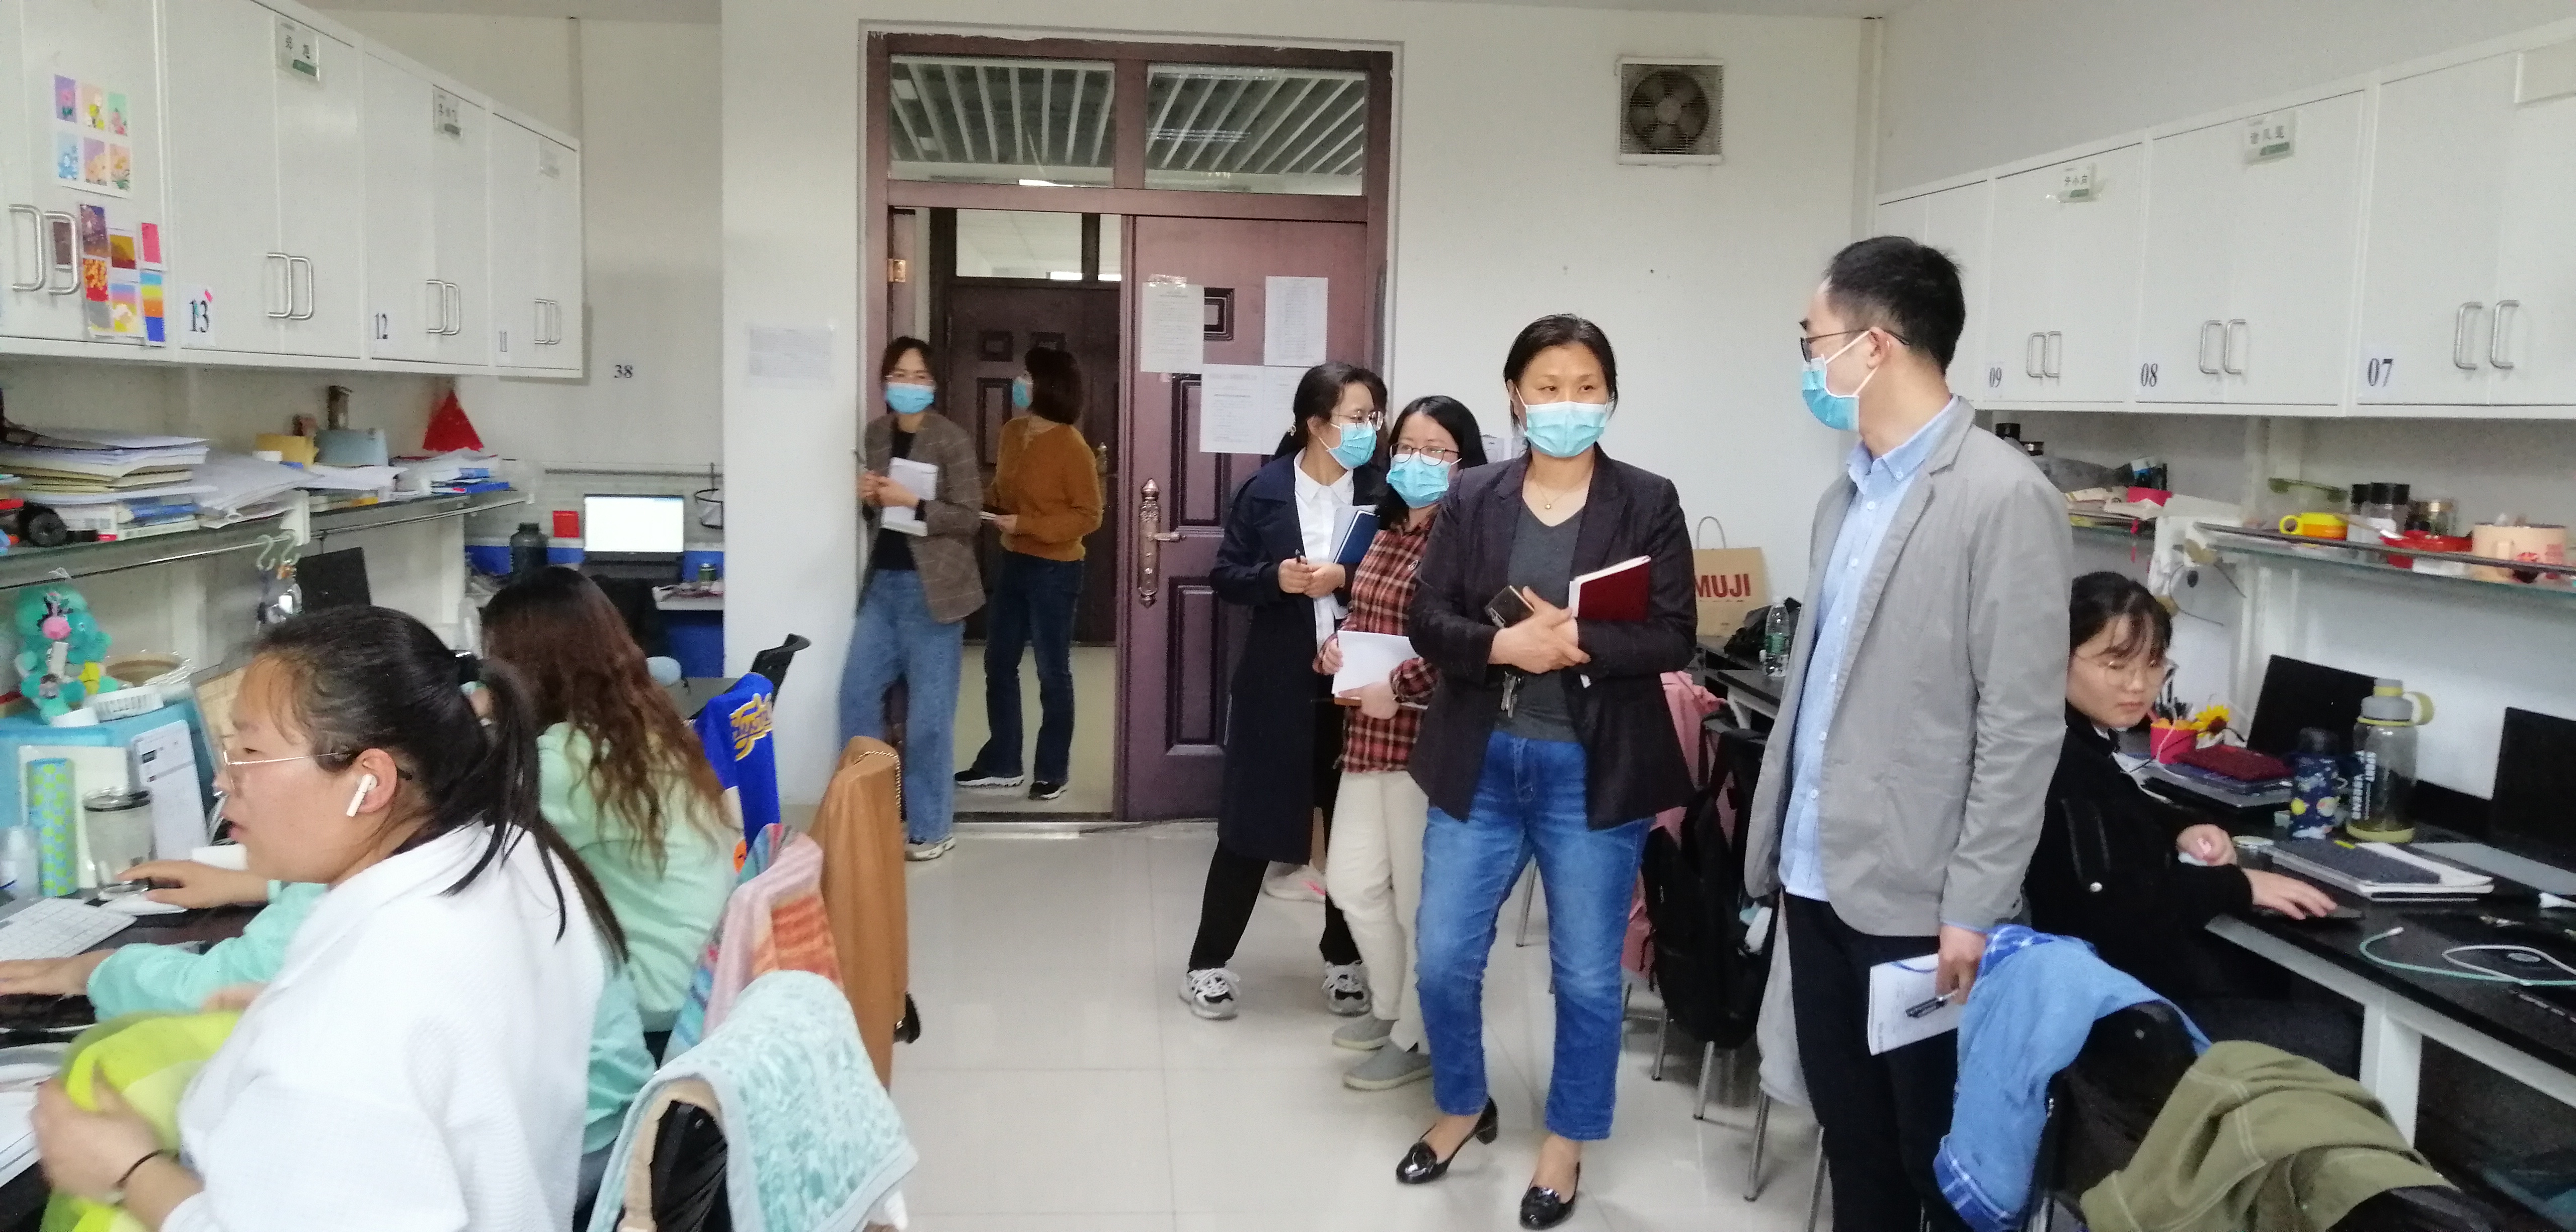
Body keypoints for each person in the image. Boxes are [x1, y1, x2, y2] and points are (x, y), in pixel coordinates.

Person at [30, 607, 624, 1230]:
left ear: (370, 781)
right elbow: (450, 1044)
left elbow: (369, 1040)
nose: (225, 782)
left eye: (250, 752)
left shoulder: (349, 1018)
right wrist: (295, 1007)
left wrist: (129, 1170)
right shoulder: (515, 855)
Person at [1740, 236, 2071, 1230]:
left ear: (1873, 345)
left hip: (1922, 902)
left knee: (1933, 1160)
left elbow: (2020, 725)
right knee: (1853, 1145)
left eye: (1814, 340)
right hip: (1817, 877)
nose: (1809, 362)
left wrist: (1974, 904)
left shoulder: (2003, 497)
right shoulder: (1845, 494)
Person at [1401, 316, 1695, 1230]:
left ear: (1609, 396)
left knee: (1588, 977)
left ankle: (1566, 1141)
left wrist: (1577, 641)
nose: (1568, 404)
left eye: (1586, 387)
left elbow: (1675, 634)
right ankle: (1462, 1103)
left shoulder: (1647, 500)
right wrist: (1504, 645)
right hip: (1481, 761)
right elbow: (1427, 618)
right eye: (1549, 387)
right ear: (1516, 397)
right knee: (1443, 957)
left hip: (1589, 771)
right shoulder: (1474, 496)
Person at [2028, 572, 2359, 1072]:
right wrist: (2237, 885)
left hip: (2109, 995)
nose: (2137, 685)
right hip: (2114, 1017)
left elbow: (2119, 802)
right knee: (2344, 1038)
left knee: (2252, 975)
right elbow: (2115, 909)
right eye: (2115, 664)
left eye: (2153, 664)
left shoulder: (2071, 739)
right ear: (2059, 655)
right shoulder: (2062, 760)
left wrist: (2178, 825)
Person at [1179, 361, 1388, 1022]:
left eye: (1374, 417)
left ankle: (1343, 960)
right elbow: (1227, 576)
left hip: (1356, 684)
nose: (1369, 429)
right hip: (1277, 681)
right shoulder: (1265, 490)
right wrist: (1277, 580)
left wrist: (1343, 578)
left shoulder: (1383, 492)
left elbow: (1403, 579)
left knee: (1351, 828)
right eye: (1356, 417)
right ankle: (1207, 964)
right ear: (1315, 424)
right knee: (1250, 822)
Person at [1316, 395, 1488, 1092]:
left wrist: (1401, 684)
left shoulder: (1469, 539)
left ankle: (1417, 1036)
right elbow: (1366, 616)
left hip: (1426, 738)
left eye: (1437, 451)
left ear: (1464, 463)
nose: (1419, 462)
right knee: (1351, 882)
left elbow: (1469, 642)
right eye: (1408, 448)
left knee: (1422, 900)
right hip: (1367, 733)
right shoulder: (1385, 528)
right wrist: (1336, 648)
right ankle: (1390, 1008)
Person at [482, 566, 735, 1036]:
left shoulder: (558, 764)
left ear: (523, 673)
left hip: (654, 1004)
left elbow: (474, 849)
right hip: (710, 980)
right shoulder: (651, 730)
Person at [841, 335, 985, 861]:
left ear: (934, 384)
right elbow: (878, 517)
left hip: (936, 593)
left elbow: (969, 517)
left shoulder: (951, 439)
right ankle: (864, 819)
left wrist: (915, 502)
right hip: (882, 588)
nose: (908, 385)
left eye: (919, 377)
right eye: (899, 376)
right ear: (885, 381)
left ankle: (931, 827)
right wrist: (869, 500)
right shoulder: (876, 433)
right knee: (856, 700)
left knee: (928, 719)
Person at [958, 346, 1103, 803]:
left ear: (1048, 385)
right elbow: (1003, 490)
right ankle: (1002, 762)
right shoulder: (1012, 432)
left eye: (1028, 375)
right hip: (1014, 562)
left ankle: (1052, 770)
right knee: (998, 662)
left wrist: (1026, 524)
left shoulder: (1073, 447)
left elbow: (1088, 516)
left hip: (1056, 570)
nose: (1020, 382)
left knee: (1051, 671)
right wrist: (979, 506)